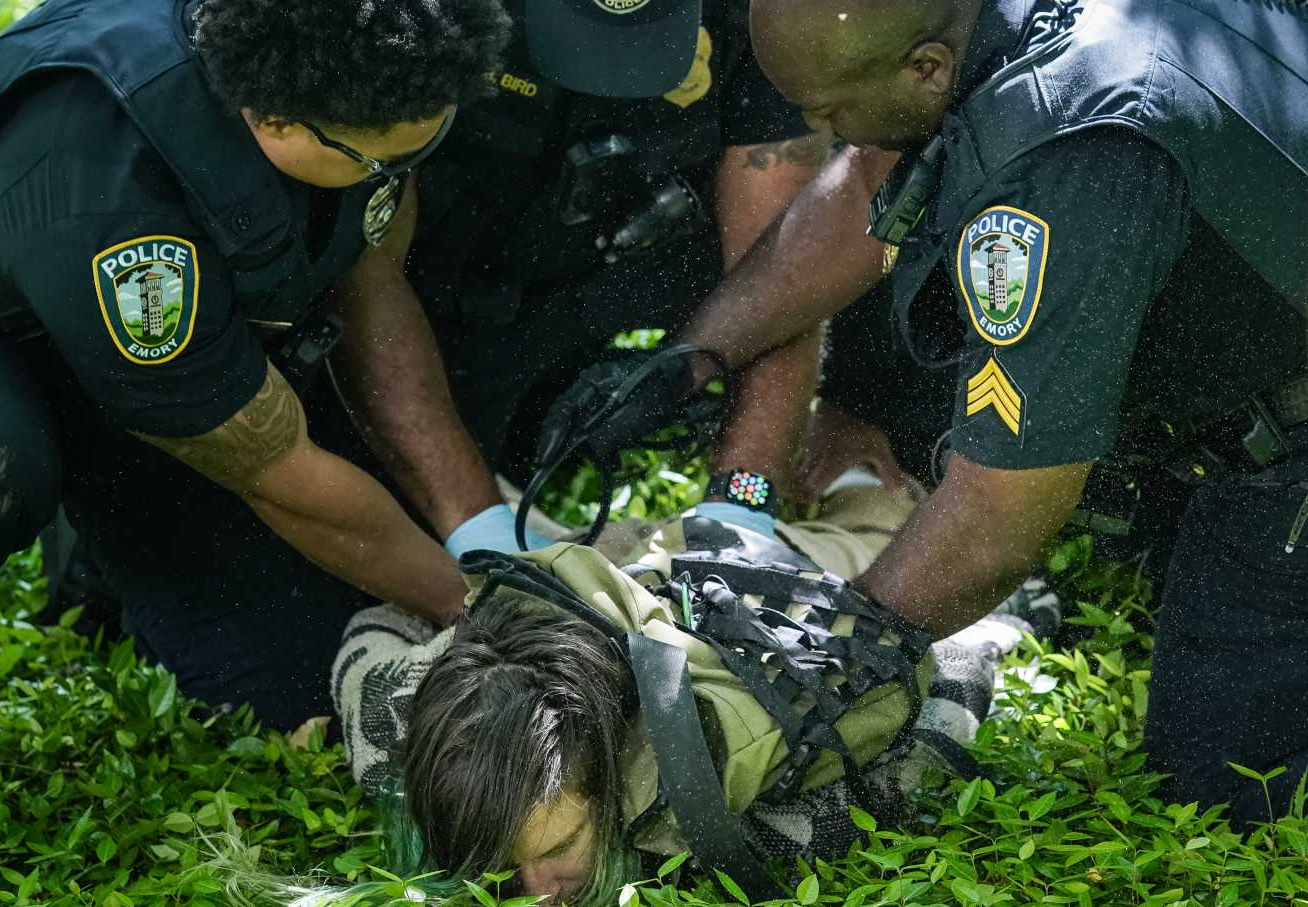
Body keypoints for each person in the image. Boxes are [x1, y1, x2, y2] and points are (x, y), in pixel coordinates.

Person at [0, 0, 514, 768]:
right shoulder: (107, 179)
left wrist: (486, 537)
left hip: (200, 359)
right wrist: (481, 607)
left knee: (322, 627)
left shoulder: (360, 70)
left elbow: (366, 267)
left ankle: (97, 550)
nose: (403, 173)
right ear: (276, 121)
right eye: (382, 163)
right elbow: (275, 467)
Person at [722, 0, 1308, 821]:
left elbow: (996, 520)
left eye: (826, 110)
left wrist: (826, 657)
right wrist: (698, 350)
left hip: (1284, 444)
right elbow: (863, 181)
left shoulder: (1073, 159)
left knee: (1224, 793)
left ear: (926, 68)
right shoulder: (1006, 32)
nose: (815, 126)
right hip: (1257, 331)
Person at [318, 477, 1059, 904]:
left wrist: (1002, 629)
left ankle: (859, 468)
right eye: (508, 870)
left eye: (560, 849)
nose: (540, 892)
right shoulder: (396, 728)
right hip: (610, 568)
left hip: (776, 591)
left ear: (609, 780)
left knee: (885, 502)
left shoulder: (732, 813)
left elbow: (951, 669)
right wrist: (464, 632)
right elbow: (370, 626)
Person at [402, 0, 850, 540]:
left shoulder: (768, 17)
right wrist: (477, 527)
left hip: (590, 298)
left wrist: (741, 507)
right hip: (411, 297)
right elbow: (364, 272)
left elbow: (782, 268)